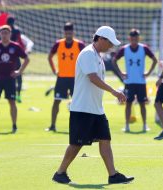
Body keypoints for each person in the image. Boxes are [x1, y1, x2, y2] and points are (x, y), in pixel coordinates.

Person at [52, 26, 134, 184]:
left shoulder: (97, 55)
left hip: (96, 108)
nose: (111, 46)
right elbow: (93, 78)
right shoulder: (88, 53)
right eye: (109, 42)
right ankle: (60, 173)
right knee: (76, 144)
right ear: (101, 39)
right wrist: (114, 91)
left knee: (105, 139)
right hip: (83, 109)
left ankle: (113, 175)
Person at [0, 25, 29, 133]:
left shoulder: (15, 46)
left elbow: (26, 59)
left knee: (12, 102)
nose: (4, 35)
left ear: (10, 34)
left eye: (6, 33)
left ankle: (14, 126)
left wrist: (19, 71)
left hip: (10, 79)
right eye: (2, 33)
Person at [112, 28, 157, 132]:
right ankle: (127, 125)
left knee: (142, 104)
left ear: (138, 38)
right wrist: (120, 73)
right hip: (129, 82)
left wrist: (149, 73)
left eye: (136, 38)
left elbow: (154, 60)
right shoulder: (124, 49)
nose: (134, 41)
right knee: (128, 104)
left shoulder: (144, 48)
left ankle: (145, 125)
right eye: (132, 39)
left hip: (141, 82)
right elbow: (114, 60)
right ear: (129, 38)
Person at [45, 22, 85, 132]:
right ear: (64, 33)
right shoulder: (58, 44)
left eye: (70, 32)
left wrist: (82, 72)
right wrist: (54, 70)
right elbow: (49, 57)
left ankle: (79, 126)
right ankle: (53, 125)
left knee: (78, 103)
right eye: (66, 33)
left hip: (75, 79)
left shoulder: (79, 44)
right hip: (61, 78)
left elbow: (86, 58)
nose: (68, 35)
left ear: (73, 32)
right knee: (56, 101)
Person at [0, 16, 25, 103]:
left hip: (1, 55)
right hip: (14, 56)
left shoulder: (0, 30)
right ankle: (18, 95)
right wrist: (22, 50)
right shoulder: (16, 30)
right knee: (18, 75)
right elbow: (20, 42)